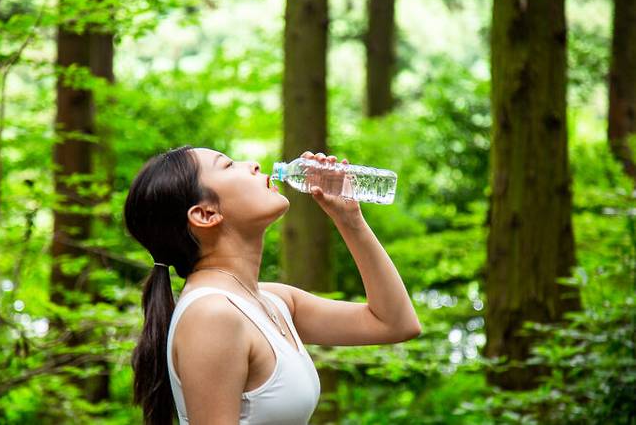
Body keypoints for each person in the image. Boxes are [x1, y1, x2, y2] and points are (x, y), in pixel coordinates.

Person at [124, 146, 422, 424]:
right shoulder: (212, 315)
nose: (252, 164)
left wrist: (350, 219)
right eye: (227, 165)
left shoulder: (273, 301)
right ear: (206, 214)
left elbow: (394, 324)